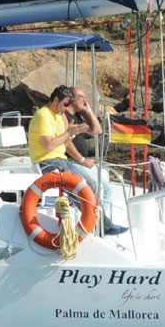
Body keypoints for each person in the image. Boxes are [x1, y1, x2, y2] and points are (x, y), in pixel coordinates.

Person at [27, 85, 126, 236]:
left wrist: (72, 134)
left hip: (60, 160)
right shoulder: (43, 116)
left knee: (93, 184)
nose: (66, 108)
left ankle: (98, 223)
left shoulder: (58, 116)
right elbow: (49, 145)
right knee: (89, 184)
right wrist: (69, 133)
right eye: (65, 104)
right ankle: (99, 225)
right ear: (55, 100)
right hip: (47, 161)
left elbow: (66, 142)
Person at [65, 86, 124, 235]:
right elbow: (65, 142)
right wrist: (82, 159)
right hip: (72, 161)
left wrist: (89, 110)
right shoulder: (65, 117)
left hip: (81, 161)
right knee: (96, 185)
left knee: (107, 186)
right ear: (71, 99)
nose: (84, 99)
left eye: (85, 97)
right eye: (81, 97)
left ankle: (104, 222)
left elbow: (97, 130)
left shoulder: (78, 116)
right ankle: (97, 224)